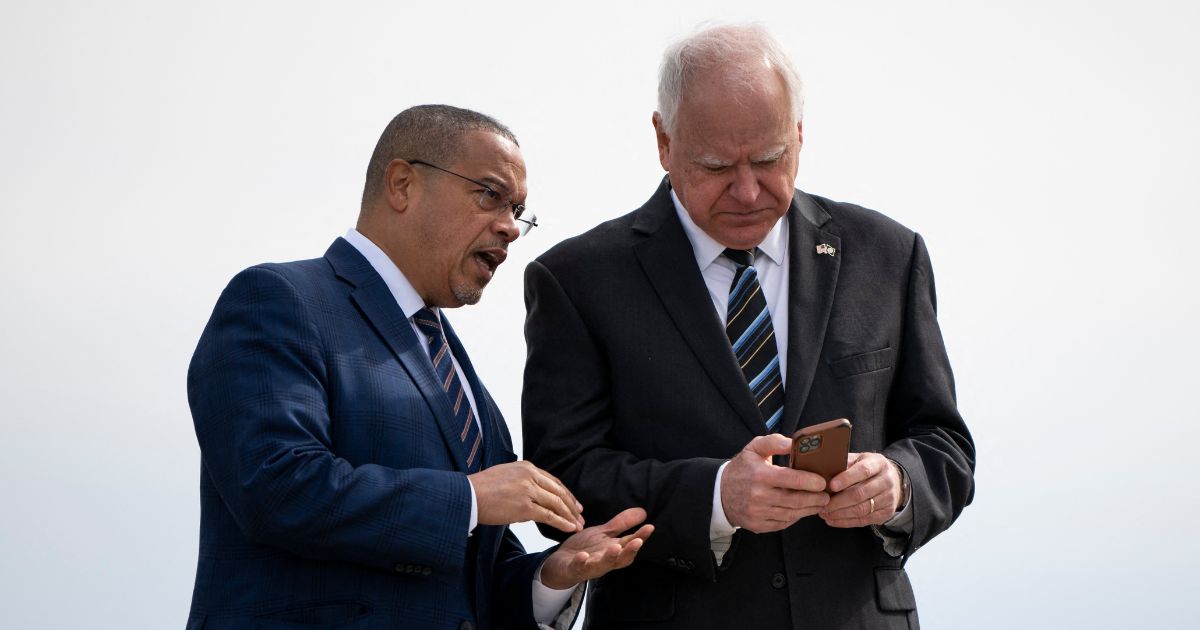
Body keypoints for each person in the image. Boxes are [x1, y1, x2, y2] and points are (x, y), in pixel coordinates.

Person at [522, 24, 974, 629]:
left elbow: (945, 446)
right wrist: (716, 498)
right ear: (663, 140)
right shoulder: (577, 280)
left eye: (768, 159)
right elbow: (560, 487)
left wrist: (897, 484)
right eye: (715, 166)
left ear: (800, 133)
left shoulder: (889, 254)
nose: (746, 190)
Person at [186, 105, 653, 630]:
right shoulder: (279, 300)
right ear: (403, 184)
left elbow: (467, 574)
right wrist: (471, 498)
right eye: (490, 195)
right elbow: (277, 486)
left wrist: (549, 577)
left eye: (518, 210)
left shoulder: (463, 378)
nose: (510, 228)